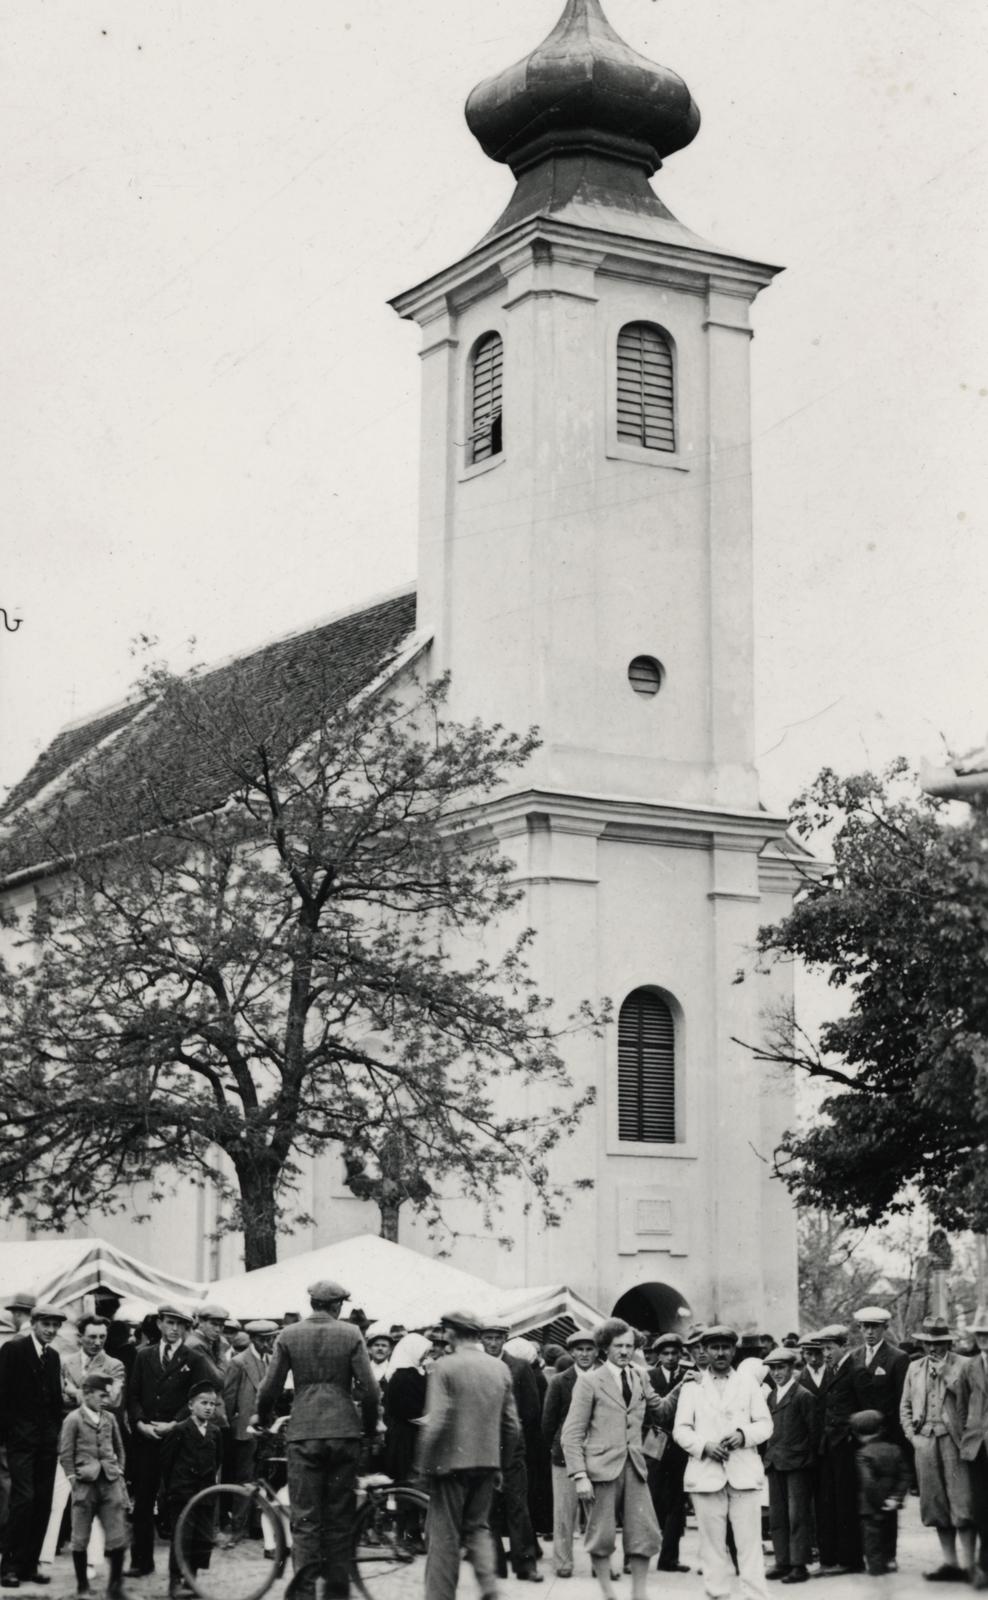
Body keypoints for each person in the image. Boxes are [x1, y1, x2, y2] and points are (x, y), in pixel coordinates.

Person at [254, 1277, 378, 1600]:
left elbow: (270, 1387)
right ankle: (336, 1595)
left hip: (304, 1432)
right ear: (337, 1306)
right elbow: (370, 1388)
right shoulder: (351, 1333)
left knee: (306, 1520)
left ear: (312, 1304)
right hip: (344, 1432)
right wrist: (367, 1425)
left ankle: (304, 1594)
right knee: (339, 1520)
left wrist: (264, 1418)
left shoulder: (289, 1334)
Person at [562, 1317, 678, 1600]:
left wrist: (682, 1386)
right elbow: (571, 1433)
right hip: (601, 1469)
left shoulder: (640, 1376)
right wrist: (579, 1476)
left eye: (629, 1345)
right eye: (618, 1346)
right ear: (605, 1347)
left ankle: (639, 1595)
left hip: (635, 1466)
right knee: (601, 1536)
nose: (625, 1351)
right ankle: (608, 1594)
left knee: (644, 1533)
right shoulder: (589, 1381)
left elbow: (660, 1411)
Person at [416, 1308, 520, 1600]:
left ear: (451, 1333)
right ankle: (489, 1587)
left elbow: (436, 1421)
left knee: (444, 1537)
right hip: (487, 1462)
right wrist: (500, 1463)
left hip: (450, 1464)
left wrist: (423, 1465)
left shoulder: (444, 1367)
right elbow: (512, 1426)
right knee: (477, 1527)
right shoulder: (499, 1368)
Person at [672, 1325, 773, 1600]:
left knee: (749, 1544)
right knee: (711, 1545)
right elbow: (680, 1430)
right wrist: (705, 1446)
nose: (720, 1353)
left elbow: (765, 1425)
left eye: (725, 1347)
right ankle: (717, 1594)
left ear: (733, 1350)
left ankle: (756, 1596)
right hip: (706, 1474)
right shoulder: (692, 1387)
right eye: (714, 1347)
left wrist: (743, 1435)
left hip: (743, 1472)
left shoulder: (748, 1383)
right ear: (704, 1351)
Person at [126, 1303, 214, 1578]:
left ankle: (181, 1570)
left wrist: (174, 1424)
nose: (174, 1329)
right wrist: (140, 1423)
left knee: (179, 1502)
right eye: (169, 1323)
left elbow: (198, 1397)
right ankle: (141, 1561)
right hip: (146, 1438)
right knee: (142, 1501)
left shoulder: (194, 1359)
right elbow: (133, 1395)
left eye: (180, 1325)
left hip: (178, 1441)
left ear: (187, 1329)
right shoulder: (144, 1356)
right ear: (160, 1324)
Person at [900, 1315, 973, 1580]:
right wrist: (912, 1436)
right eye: (928, 1344)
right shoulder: (915, 1368)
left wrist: (945, 1372)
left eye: (939, 1343)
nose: (933, 1349)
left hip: (955, 1442)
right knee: (935, 1505)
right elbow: (905, 1406)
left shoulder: (965, 1365)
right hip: (926, 1443)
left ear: (948, 1343)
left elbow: (972, 1398)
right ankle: (950, 1564)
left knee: (962, 1505)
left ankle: (969, 1565)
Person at [0, 1302, 67, 1589]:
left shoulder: (53, 1357)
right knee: (23, 1500)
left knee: (43, 1502)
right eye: (46, 1325)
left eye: (55, 1326)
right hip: (20, 1441)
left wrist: (54, 1434)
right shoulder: (13, 1350)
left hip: (46, 1443)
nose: (50, 1330)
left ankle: (29, 1565)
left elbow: (55, 1400)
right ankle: (9, 1567)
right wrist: (10, 1433)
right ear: (34, 1323)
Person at [58, 1372, 129, 1600]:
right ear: (86, 1394)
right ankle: (82, 1588)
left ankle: (115, 1588)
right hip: (85, 1486)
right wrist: (73, 1480)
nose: (105, 1400)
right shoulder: (73, 1420)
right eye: (101, 1395)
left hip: (110, 1483)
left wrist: (118, 1470)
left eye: (107, 1396)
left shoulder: (109, 1419)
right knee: (80, 1537)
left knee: (117, 1535)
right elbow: (65, 1454)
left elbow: (119, 1448)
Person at [481, 1322, 541, 1582]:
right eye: (488, 1338)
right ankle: (495, 1566)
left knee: (518, 1506)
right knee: (488, 1508)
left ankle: (525, 1565)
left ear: (505, 1338)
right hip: (482, 1450)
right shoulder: (476, 1366)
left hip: (512, 1448)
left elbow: (531, 1410)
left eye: (497, 1338)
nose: (493, 1343)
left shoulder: (520, 1366)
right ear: (481, 1339)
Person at [159, 1382, 223, 1600]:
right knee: (182, 1537)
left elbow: (218, 1460)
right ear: (190, 1405)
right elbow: (167, 1464)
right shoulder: (180, 1430)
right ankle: (175, 1582)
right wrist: (171, 1492)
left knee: (201, 1539)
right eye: (203, 1403)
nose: (208, 1408)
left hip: (205, 1495)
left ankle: (191, 1580)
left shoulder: (215, 1432)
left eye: (212, 1404)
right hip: (183, 1495)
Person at [541, 1331, 596, 1577]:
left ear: (597, 1352)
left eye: (589, 1349)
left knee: (597, 1513)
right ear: (572, 1352)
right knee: (564, 1512)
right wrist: (558, 1446)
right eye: (580, 1349)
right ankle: (563, 1562)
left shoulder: (604, 1378)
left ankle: (600, 1563)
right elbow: (548, 1422)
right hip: (564, 1455)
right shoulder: (559, 1381)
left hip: (597, 1454)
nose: (585, 1354)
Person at [762, 1346, 817, 1585]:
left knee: (797, 1516)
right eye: (773, 1368)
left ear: (792, 1368)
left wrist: (805, 1459)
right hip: (775, 1462)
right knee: (777, 1515)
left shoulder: (803, 1396)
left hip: (797, 1464)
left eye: (781, 1367)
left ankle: (799, 1564)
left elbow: (814, 1433)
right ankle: (782, 1561)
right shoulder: (770, 1396)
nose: (776, 1373)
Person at [814, 1323, 863, 1575]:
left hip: (846, 1445)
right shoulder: (831, 1371)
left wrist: (852, 1438)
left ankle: (850, 1560)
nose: (825, 1353)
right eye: (822, 1348)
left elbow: (865, 1409)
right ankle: (831, 1558)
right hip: (830, 1446)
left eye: (829, 1347)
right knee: (829, 1502)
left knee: (845, 1503)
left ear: (844, 1346)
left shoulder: (856, 1370)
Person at [222, 1319, 278, 1521]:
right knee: (244, 1478)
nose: (268, 1343)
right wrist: (232, 1425)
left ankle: (255, 1523)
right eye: (264, 1340)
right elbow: (229, 1397)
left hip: (266, 1428)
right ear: (253, 1339)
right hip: (245, 1429)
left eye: (271, 1339)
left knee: (262, 1476)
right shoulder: (239, 1362)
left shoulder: (271, 1361)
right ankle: (238, 1522)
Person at [645, 1334, 691, 1574]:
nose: (671, 1358)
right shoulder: (647, 1377)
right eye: (666, 1354)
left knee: (677, 1504)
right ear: (658, 1355)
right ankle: (639, 1555)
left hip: (680, 1447)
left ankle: (669, 1558)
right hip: (654, 1445)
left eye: (675, 1353)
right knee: (649, 1500)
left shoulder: (689, 1376)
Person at [850, 1409, 909, 1578]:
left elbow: (868, 1482)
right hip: (892, 1504)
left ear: (858, 1434)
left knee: (872, 1538)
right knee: (891, 1533)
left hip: (871, 1506)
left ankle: (876, 1567)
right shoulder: (895, 1449)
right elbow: (905, 1475)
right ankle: (891, 1560)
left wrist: (879, 1503)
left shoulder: (863, 1454)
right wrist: (895, 1498)